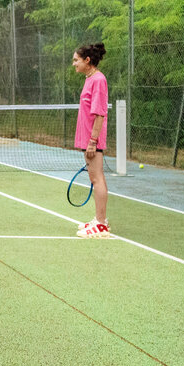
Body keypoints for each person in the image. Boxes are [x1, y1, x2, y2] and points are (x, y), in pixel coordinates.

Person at [72, 42, 111, 239]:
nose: (74, 64)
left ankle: (102, 224)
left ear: (88, 61)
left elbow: (99, 114)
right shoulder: (90, 79)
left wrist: (93, 141)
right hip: (87, 139)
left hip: (92, 140)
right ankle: (99, 220)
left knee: (97, 179)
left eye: (76, 60)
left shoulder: (98, 80)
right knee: (95, 178)